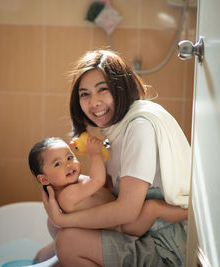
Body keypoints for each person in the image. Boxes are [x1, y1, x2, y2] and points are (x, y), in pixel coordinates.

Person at [42, 49, 191, 267]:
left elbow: (127, 210)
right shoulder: (115, 132)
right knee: (55, 229)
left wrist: (63, 219)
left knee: (67, 241)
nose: (94, 103)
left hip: (166, 247)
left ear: (121, 89)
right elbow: (108, 196)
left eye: (103, 90)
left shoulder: (139, 128)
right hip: (140, 230)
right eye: (85, 94)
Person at [28, 136, 187, 234]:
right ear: (44, 180)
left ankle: (183, 213)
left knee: (150, 204)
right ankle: (191, 215)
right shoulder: (67, 196)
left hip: (123, 214)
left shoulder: (73, 182)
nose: (68, 165)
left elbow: (98, 186)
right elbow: (97, 181)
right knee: (152, 207)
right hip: (124, 226)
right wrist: (95, 154)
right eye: (57, 164)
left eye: (70, 157)